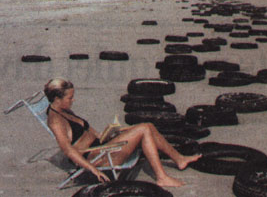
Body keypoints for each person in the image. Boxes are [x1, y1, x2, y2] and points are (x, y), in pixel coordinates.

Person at [44, 78, 201, 187]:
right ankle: (162, 178)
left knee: (148, 125)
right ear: (57, 98)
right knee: (144, 130)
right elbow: (69, 150)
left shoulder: (63, 109)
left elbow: (86, 133)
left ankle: (179, 159)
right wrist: (93, 170)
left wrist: (111, 132)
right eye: (70, 98)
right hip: (97, 157)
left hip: (101, 145)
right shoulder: (56, 121)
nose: (73, 101)